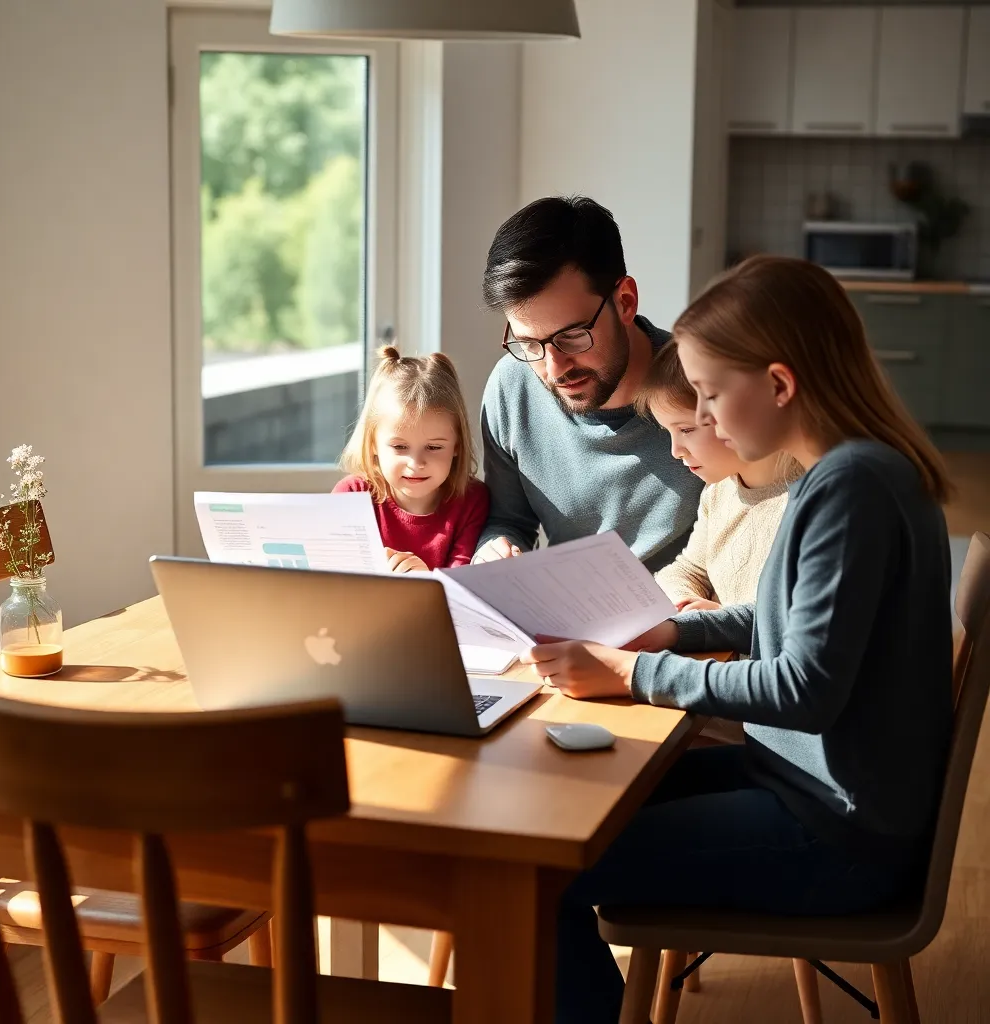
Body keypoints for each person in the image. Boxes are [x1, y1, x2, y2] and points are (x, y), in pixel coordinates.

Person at [520, 255, 955, 1024]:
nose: (708, 420)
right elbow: (776, 616)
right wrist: (675, 629)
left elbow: (803, 685)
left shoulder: (849, 488)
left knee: (541, 869)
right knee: (571, 814)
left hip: (836, 832)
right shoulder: (852, 473)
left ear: (780, 386)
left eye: (715, 395)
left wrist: (636, 670)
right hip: (816, 792)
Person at [474, 196, 702, 573]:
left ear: (625, 301)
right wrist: (495, 550)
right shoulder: (511, 386)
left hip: (681, 620)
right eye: (530, 343)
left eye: (573, 336)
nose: (554, 367)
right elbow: (509, 521)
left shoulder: (704, 388)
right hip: (569, 618)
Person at [644, 341, 801, 613]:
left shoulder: (809, 500)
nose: (675, 451)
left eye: (687, 429)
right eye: (667, 431)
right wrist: (687, 604)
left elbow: (793, 619)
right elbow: (688, 569)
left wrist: (718, 619)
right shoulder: (719, 492)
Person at [334, 346, 489, 572]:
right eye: (400, 446)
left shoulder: (473, 501)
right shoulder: (351, 496)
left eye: (434, 447)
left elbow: (461, 590)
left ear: (457, 445)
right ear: (372, 444)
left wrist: (425, 581)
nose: (416, 463)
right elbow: (333, 578)